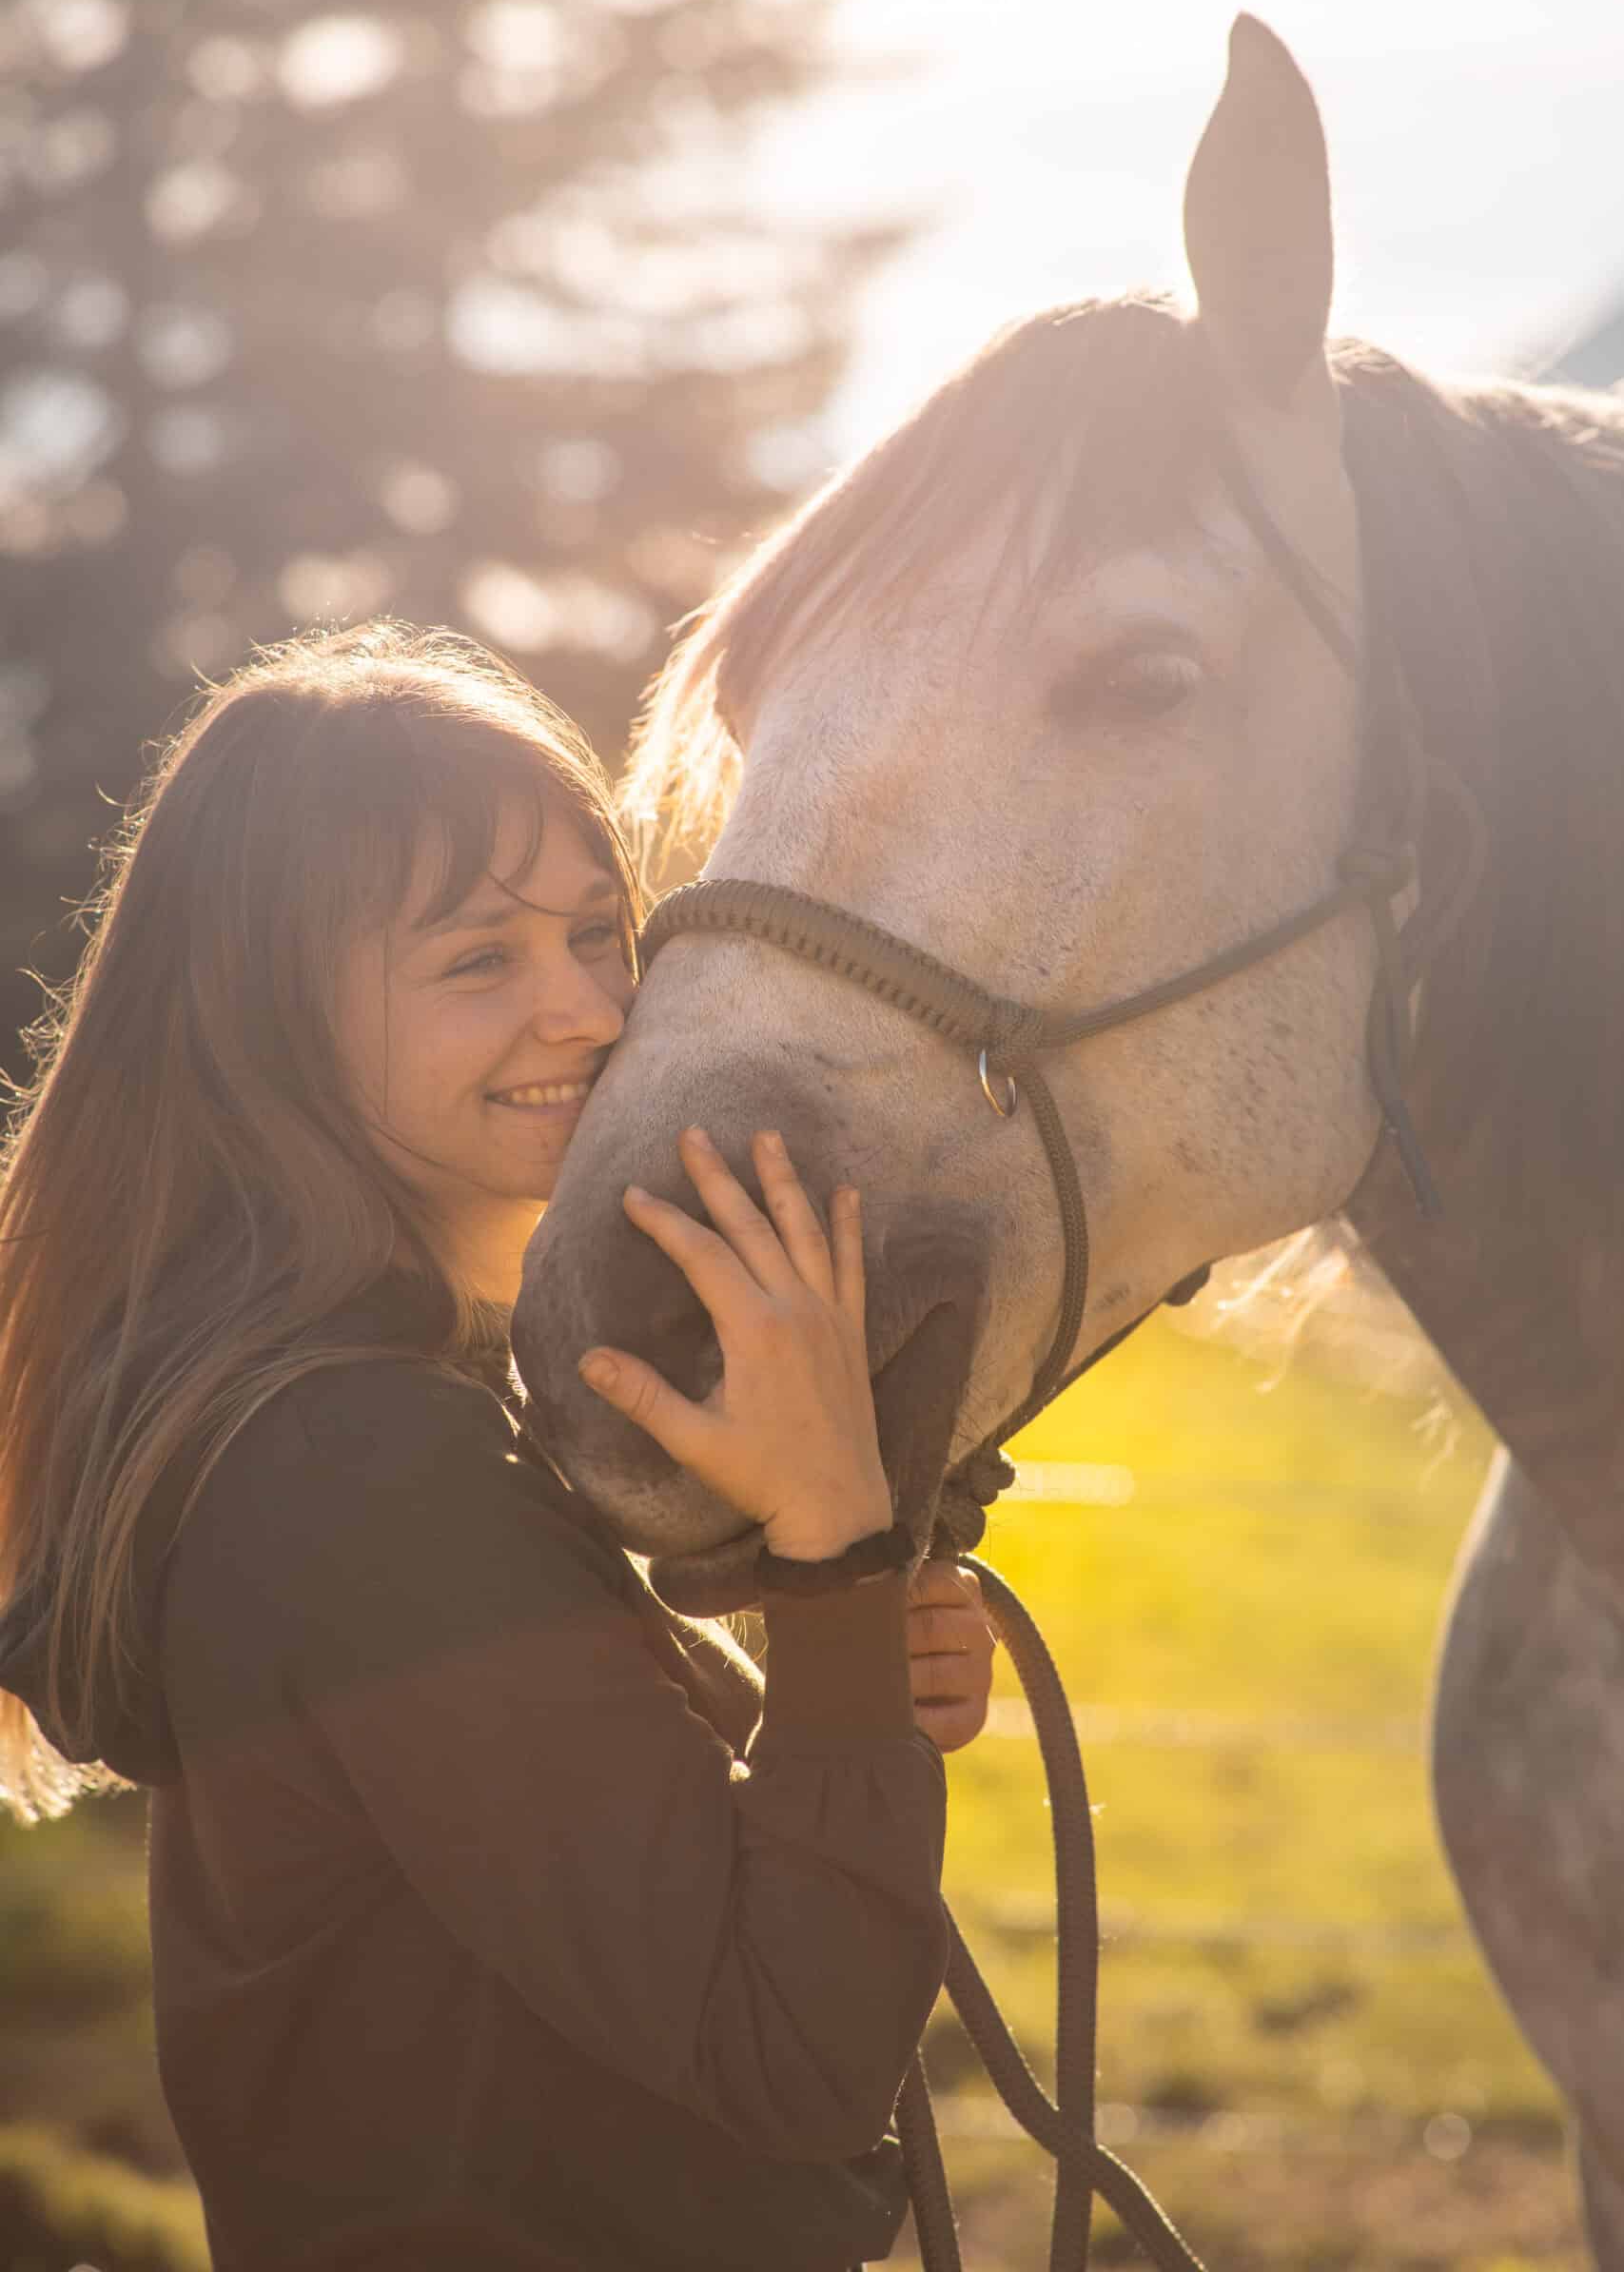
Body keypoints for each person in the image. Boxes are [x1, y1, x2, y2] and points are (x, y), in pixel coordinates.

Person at [0, 622, 996, 2272]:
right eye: (478, 960)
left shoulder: (343, 1411)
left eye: (600, 933)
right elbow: (791, 2054)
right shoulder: (358, 1470)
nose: (590, 1011)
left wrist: (844, 1678)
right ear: (268, 1019)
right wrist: (829, 1538)